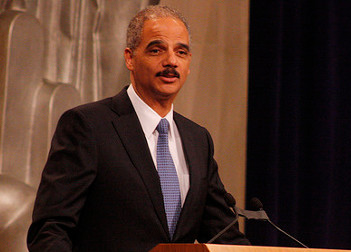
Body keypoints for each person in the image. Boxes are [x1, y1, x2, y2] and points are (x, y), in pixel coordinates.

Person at [27, 5, 249, 252]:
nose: (171, 61)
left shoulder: (198, 139)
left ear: (188, 63)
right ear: (130, 58)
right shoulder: (88, 126)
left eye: (181, 52)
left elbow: (224, 236)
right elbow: (51, 229)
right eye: (157, 50)